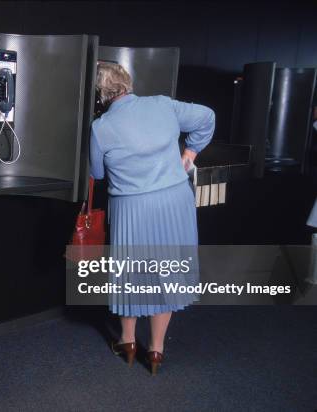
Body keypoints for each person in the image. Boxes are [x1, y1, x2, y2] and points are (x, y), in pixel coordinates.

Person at [89, 62, 215, 375]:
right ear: (127, 82)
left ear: (100, 94)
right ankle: (157, 350)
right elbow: (207, 117)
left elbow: (97, 173)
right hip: (175, 203)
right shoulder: (162, 105)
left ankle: (128, 342)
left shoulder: (101, 127)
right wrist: (192, 151)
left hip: (133, 209)